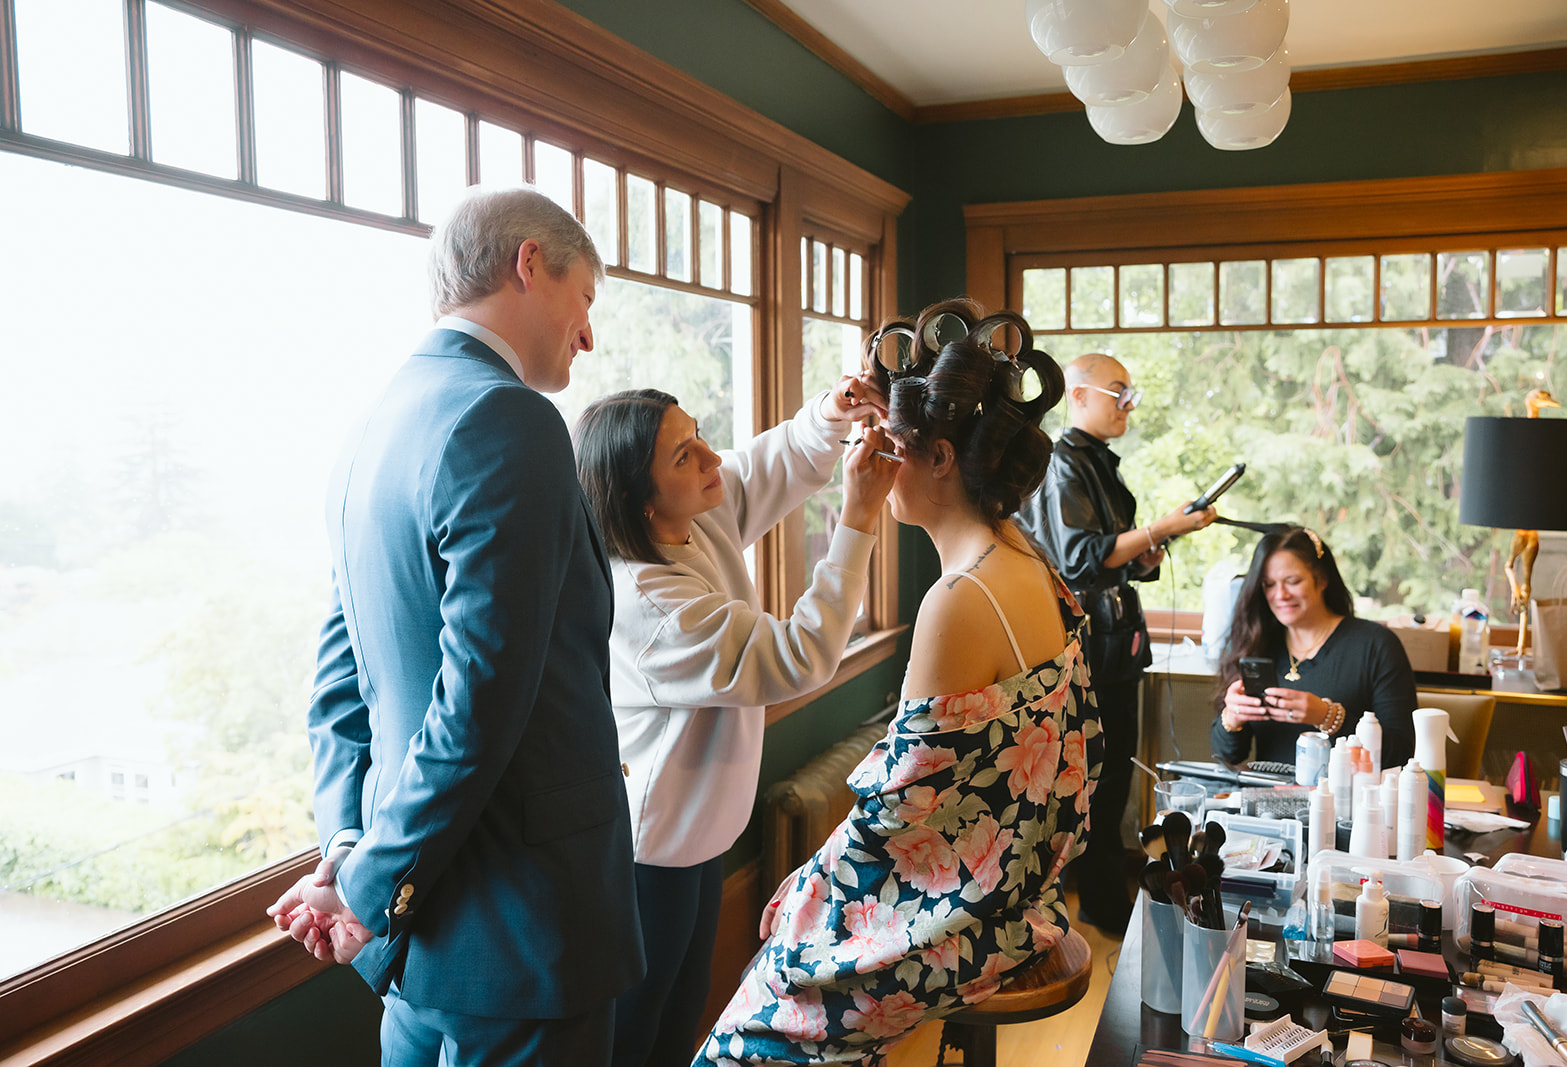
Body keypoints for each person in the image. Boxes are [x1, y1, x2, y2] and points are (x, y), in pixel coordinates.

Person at [266, 186, 645, 1066]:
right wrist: (362, 885)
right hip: (528, 930)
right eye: (584, 297)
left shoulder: (370, 431)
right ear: (528, 263)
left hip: (425, 938)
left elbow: (338, 686)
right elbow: (480, 698)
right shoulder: (508, 417)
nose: (588, 335)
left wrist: (350, 847)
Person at [694, 300, 1098, 1066]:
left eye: (894, 440)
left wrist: (805, 894)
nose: (875, 452)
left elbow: (894, 816)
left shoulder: (959, 600)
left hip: (966, 919)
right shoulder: (1029, 558)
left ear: (942, 457)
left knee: (746, 1034)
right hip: (1017, 889)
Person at [572, 382, 900, 1067]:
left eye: (697, 435)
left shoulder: (689, 517)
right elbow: (797, 655)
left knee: (683, 1006)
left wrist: (832, 413)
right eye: (685, 454)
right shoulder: (646, 599)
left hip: (702, 828)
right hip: (650, 847)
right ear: (643, 497)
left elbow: (769, 464)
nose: (710, 457)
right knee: (641, 1025)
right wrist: (859, 517)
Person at [1013, 352, 1215, 936]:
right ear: (1077, 397)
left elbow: (1109, 555)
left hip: (1117, 641)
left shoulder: (1097, 462)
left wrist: (1145, 552)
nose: (1127, 404)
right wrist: (1161, 529)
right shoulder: (1061, 463)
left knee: (1118, 777)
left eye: (1132, 394)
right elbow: (1079, 557)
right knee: (1095, 783)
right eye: (1117, 392)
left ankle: (1108, 898)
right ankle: (1099, 904)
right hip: (1086, 646)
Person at [1212, 525, 1416, 769]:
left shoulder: (1376, 645)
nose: (1281, 595)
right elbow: (1230, 754)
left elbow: (1400, 752)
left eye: (1293, 581)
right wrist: (1233, 717)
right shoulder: (1256, 643)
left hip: (1350, 800)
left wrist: (1328, 717)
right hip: (1269, 801)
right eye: (1269, 585)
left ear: (1321, 579)